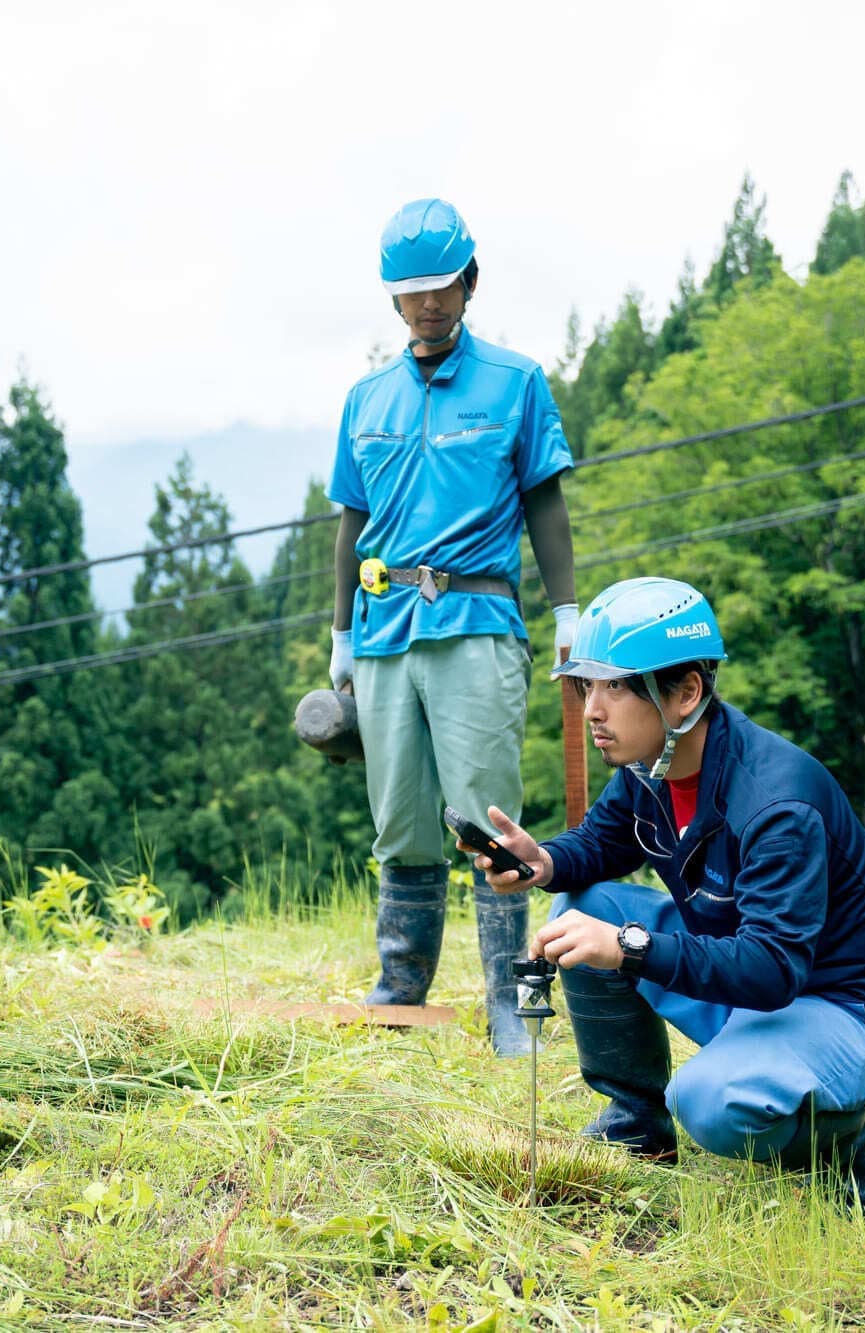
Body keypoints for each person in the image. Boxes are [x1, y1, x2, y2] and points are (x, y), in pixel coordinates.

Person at [466, 577, 865, 1211]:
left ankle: (845, 1144)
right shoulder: (648, 769)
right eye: (585, 685)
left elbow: (772, 969)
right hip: (749, 985)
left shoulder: (777, 803)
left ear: (686, 694)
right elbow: (599, 844)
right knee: (580, 909)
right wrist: (542, 861)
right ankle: (636, 1122)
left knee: (709, 1101)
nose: (592, 708)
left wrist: (627, 948)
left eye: (617, 686)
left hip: (848, 1010)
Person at [327, 197, 579, 1055]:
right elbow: (348, 526)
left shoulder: (515, 383)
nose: (428, 305)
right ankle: (401, 988)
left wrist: (567, 611)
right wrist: (338, 637)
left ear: (470, 282)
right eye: (411, 292)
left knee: (487, 817)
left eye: (442, 287)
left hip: (477, 619)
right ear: (393, 299)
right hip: (383, 629)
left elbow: (545, 498)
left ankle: (513, 1003)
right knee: (399, 818)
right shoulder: (366, 399)